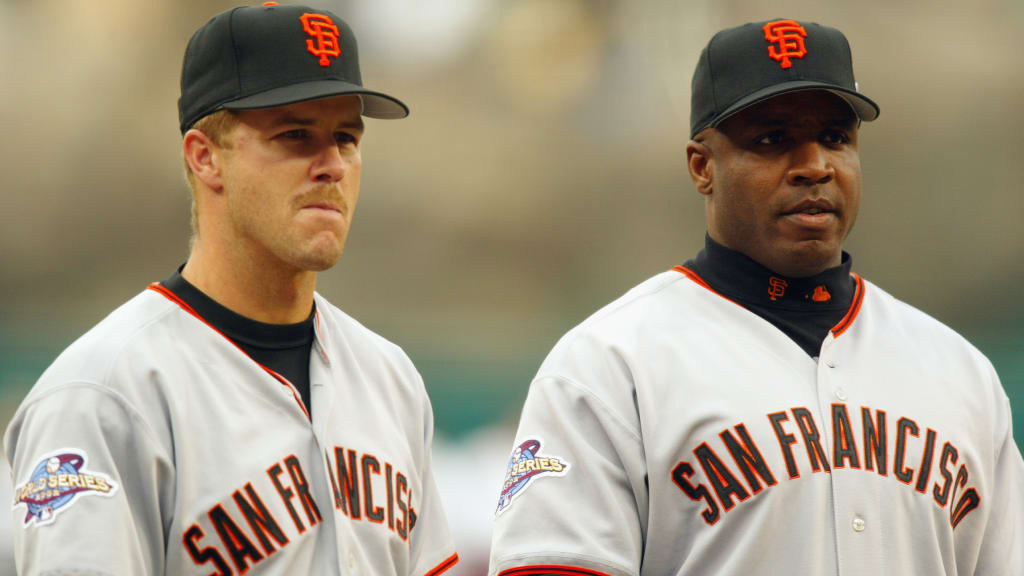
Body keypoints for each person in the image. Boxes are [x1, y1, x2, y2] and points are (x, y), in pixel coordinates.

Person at [488, 19, 1023, 576]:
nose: (815, 165)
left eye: (836, 138)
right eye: (773, 140)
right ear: (703, 166)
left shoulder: (959, 373)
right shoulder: (609, 365)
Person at [4, 3, 459, 575]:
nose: (332, 165)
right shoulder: (101, 395)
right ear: (205, 157)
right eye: (296, 134)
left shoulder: (390, 379)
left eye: (346, 137)